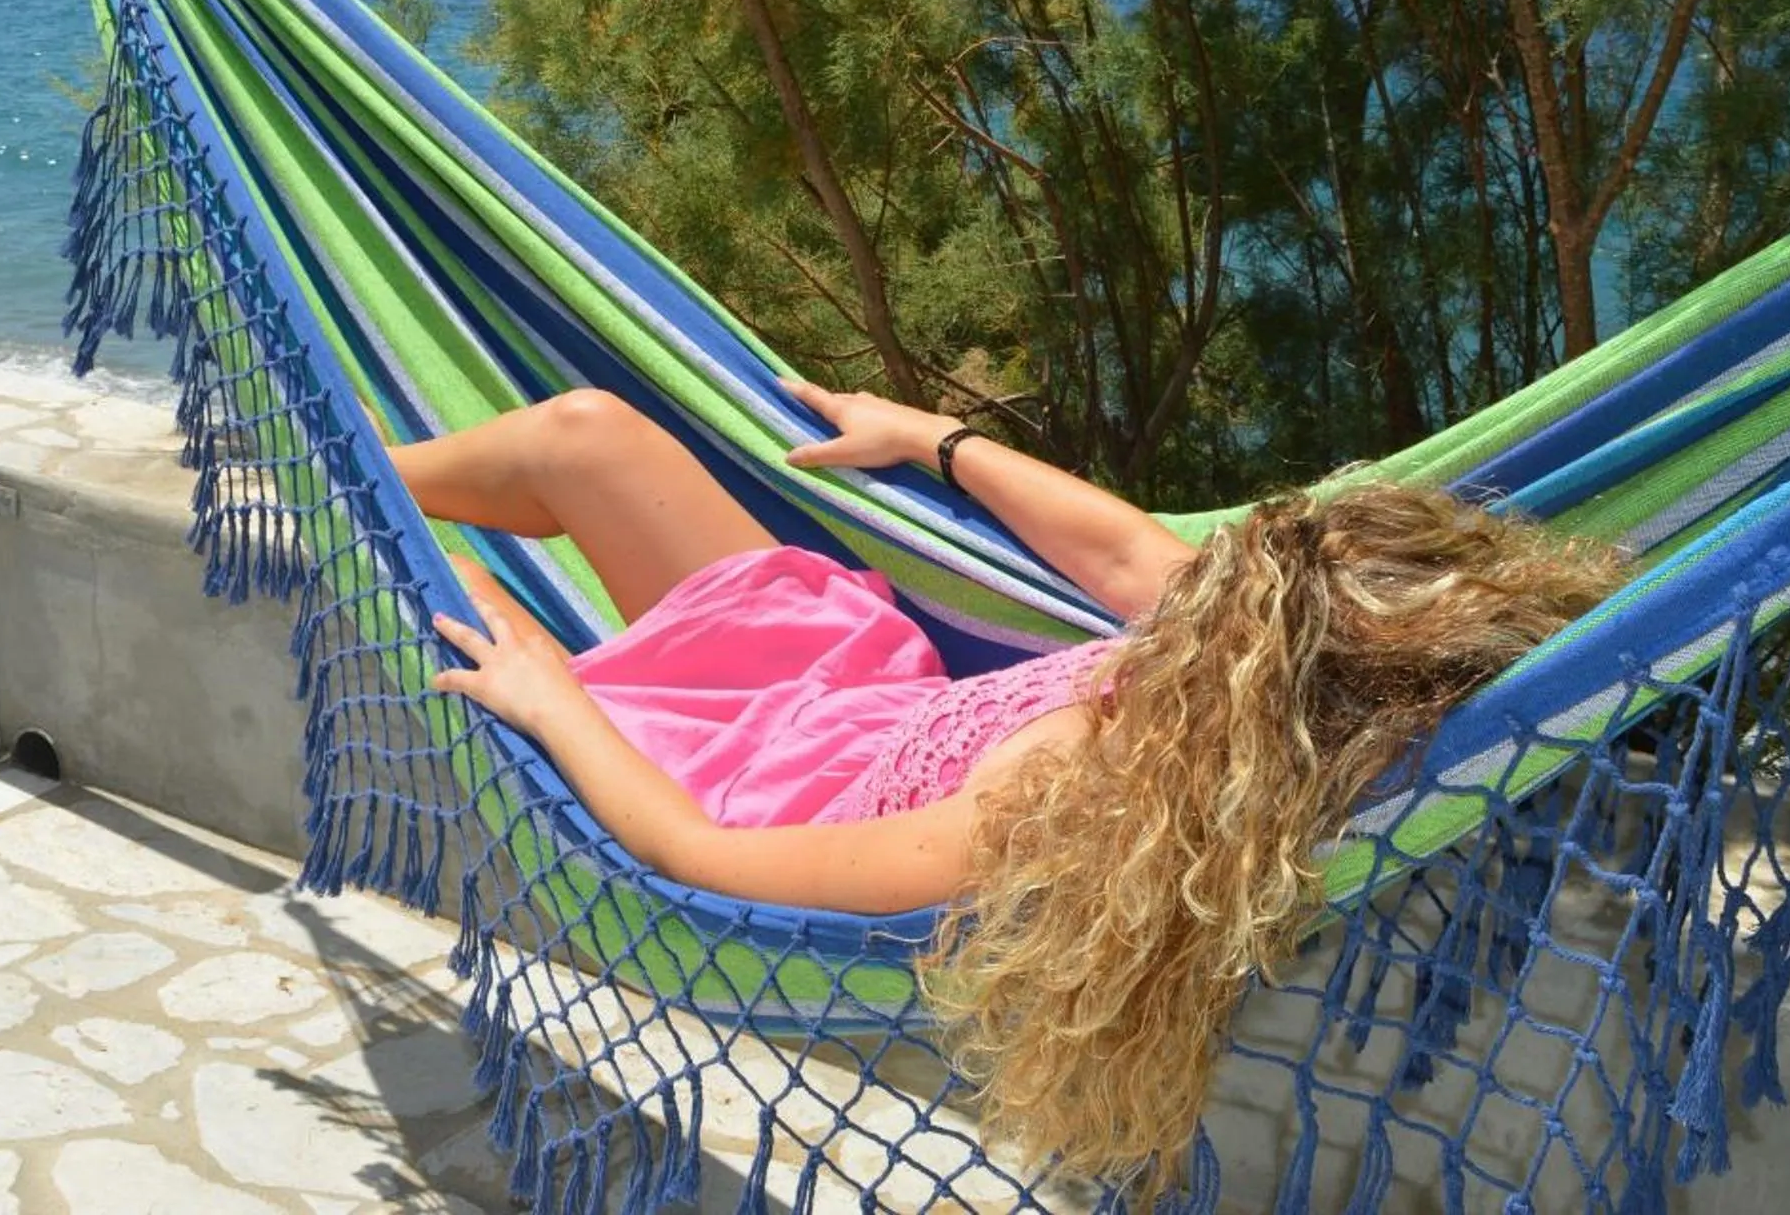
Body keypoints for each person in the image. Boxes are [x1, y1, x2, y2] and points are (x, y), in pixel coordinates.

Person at [388, 379, 1621, 1189]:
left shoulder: (1078, 789)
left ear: (1266, 680)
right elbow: (1132, 552)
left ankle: (328, 460)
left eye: (1232, 593)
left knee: (438, 593)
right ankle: (351, 440)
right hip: (836, 672)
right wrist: (932, 440)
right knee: (584, 433)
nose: (1202, 581)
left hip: (731, 774)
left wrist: (554, 699)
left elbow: (703, 859)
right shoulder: (1252, 665)